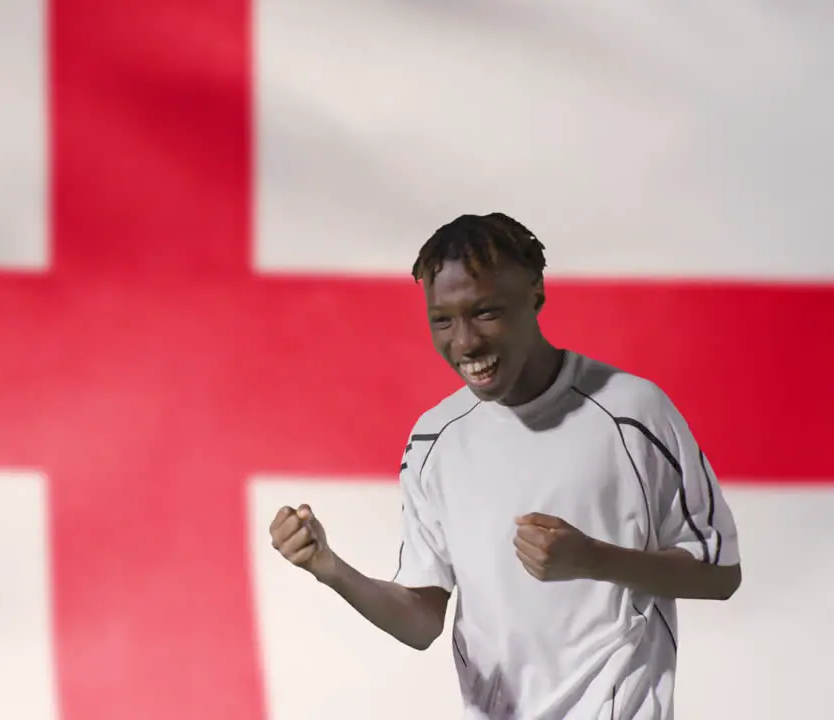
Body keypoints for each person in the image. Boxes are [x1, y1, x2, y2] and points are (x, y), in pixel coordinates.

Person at [268, 213, 742, 719]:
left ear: (536, 293)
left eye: (486, 312)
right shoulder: (435, 440)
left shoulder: (633, 412)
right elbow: (422, 620)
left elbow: (720, 573)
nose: (466, 342)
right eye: (442, 320)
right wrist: (330, 569)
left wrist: (593, 560)